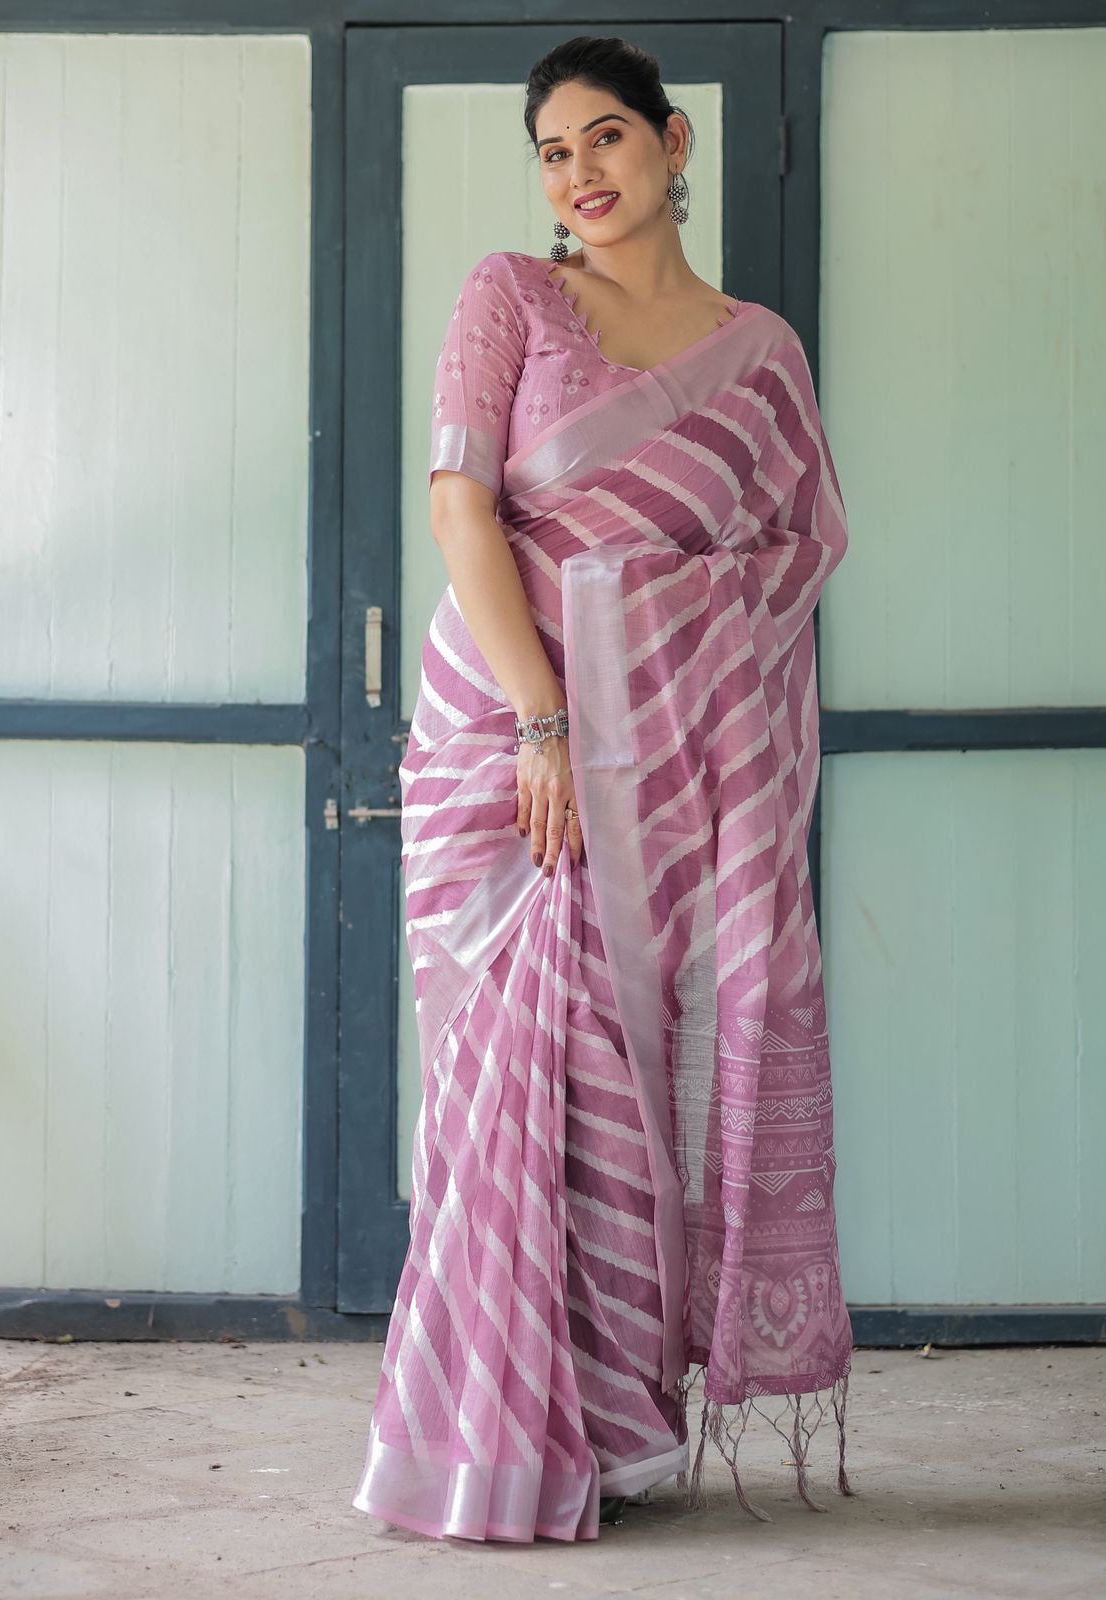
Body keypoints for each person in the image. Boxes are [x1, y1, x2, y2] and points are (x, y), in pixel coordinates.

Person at [352, 33, 854, 1544]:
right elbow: (460, 505)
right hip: (511, 733)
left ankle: (618, 1426)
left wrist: (650, 642)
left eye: (605, 142)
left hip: (680, 757)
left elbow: (790, 559)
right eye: (555, 154)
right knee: (519, 1066)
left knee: (639, 1057)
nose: (580, 176)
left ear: (675, 143)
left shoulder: (758, 354)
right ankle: (493, 1432)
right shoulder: (509, 295)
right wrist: (543, 723)